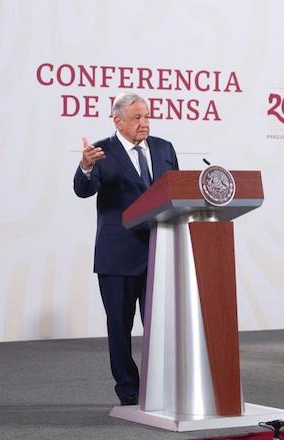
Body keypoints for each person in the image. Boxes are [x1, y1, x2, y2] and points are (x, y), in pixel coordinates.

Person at [73, 92, 179, 405]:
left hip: (158, 253)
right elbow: (83, 190)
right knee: (120, 327)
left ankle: (163, 385)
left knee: (159, 325)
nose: (144, 123)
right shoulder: (101, 151)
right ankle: (129, 389)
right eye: (137, 118)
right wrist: (85, 167)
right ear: (117, 120)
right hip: (117, 256)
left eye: (147, 116)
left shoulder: (164, 148)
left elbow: (176, 192)